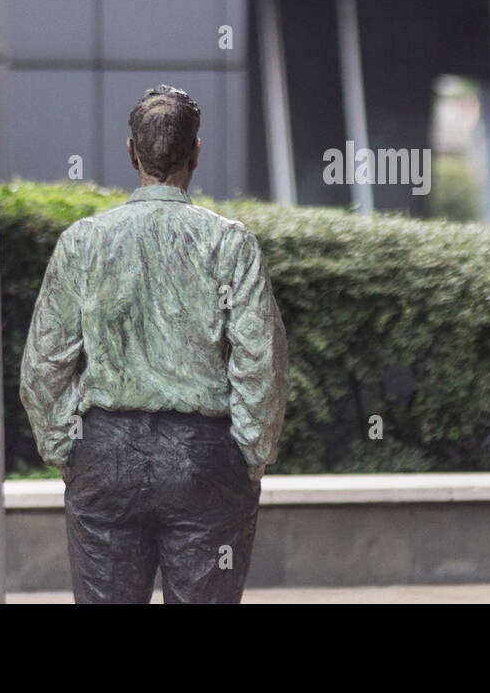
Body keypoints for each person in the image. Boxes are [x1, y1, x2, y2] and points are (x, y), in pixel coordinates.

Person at [20, 84, 290, 604]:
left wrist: (66, 451)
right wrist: (250, 455)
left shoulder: (84, 241)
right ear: (196, 151)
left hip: (104, 456)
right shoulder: (230, 242)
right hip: (205, 459)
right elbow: (261, 361)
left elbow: (45, 366)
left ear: (131, 152)